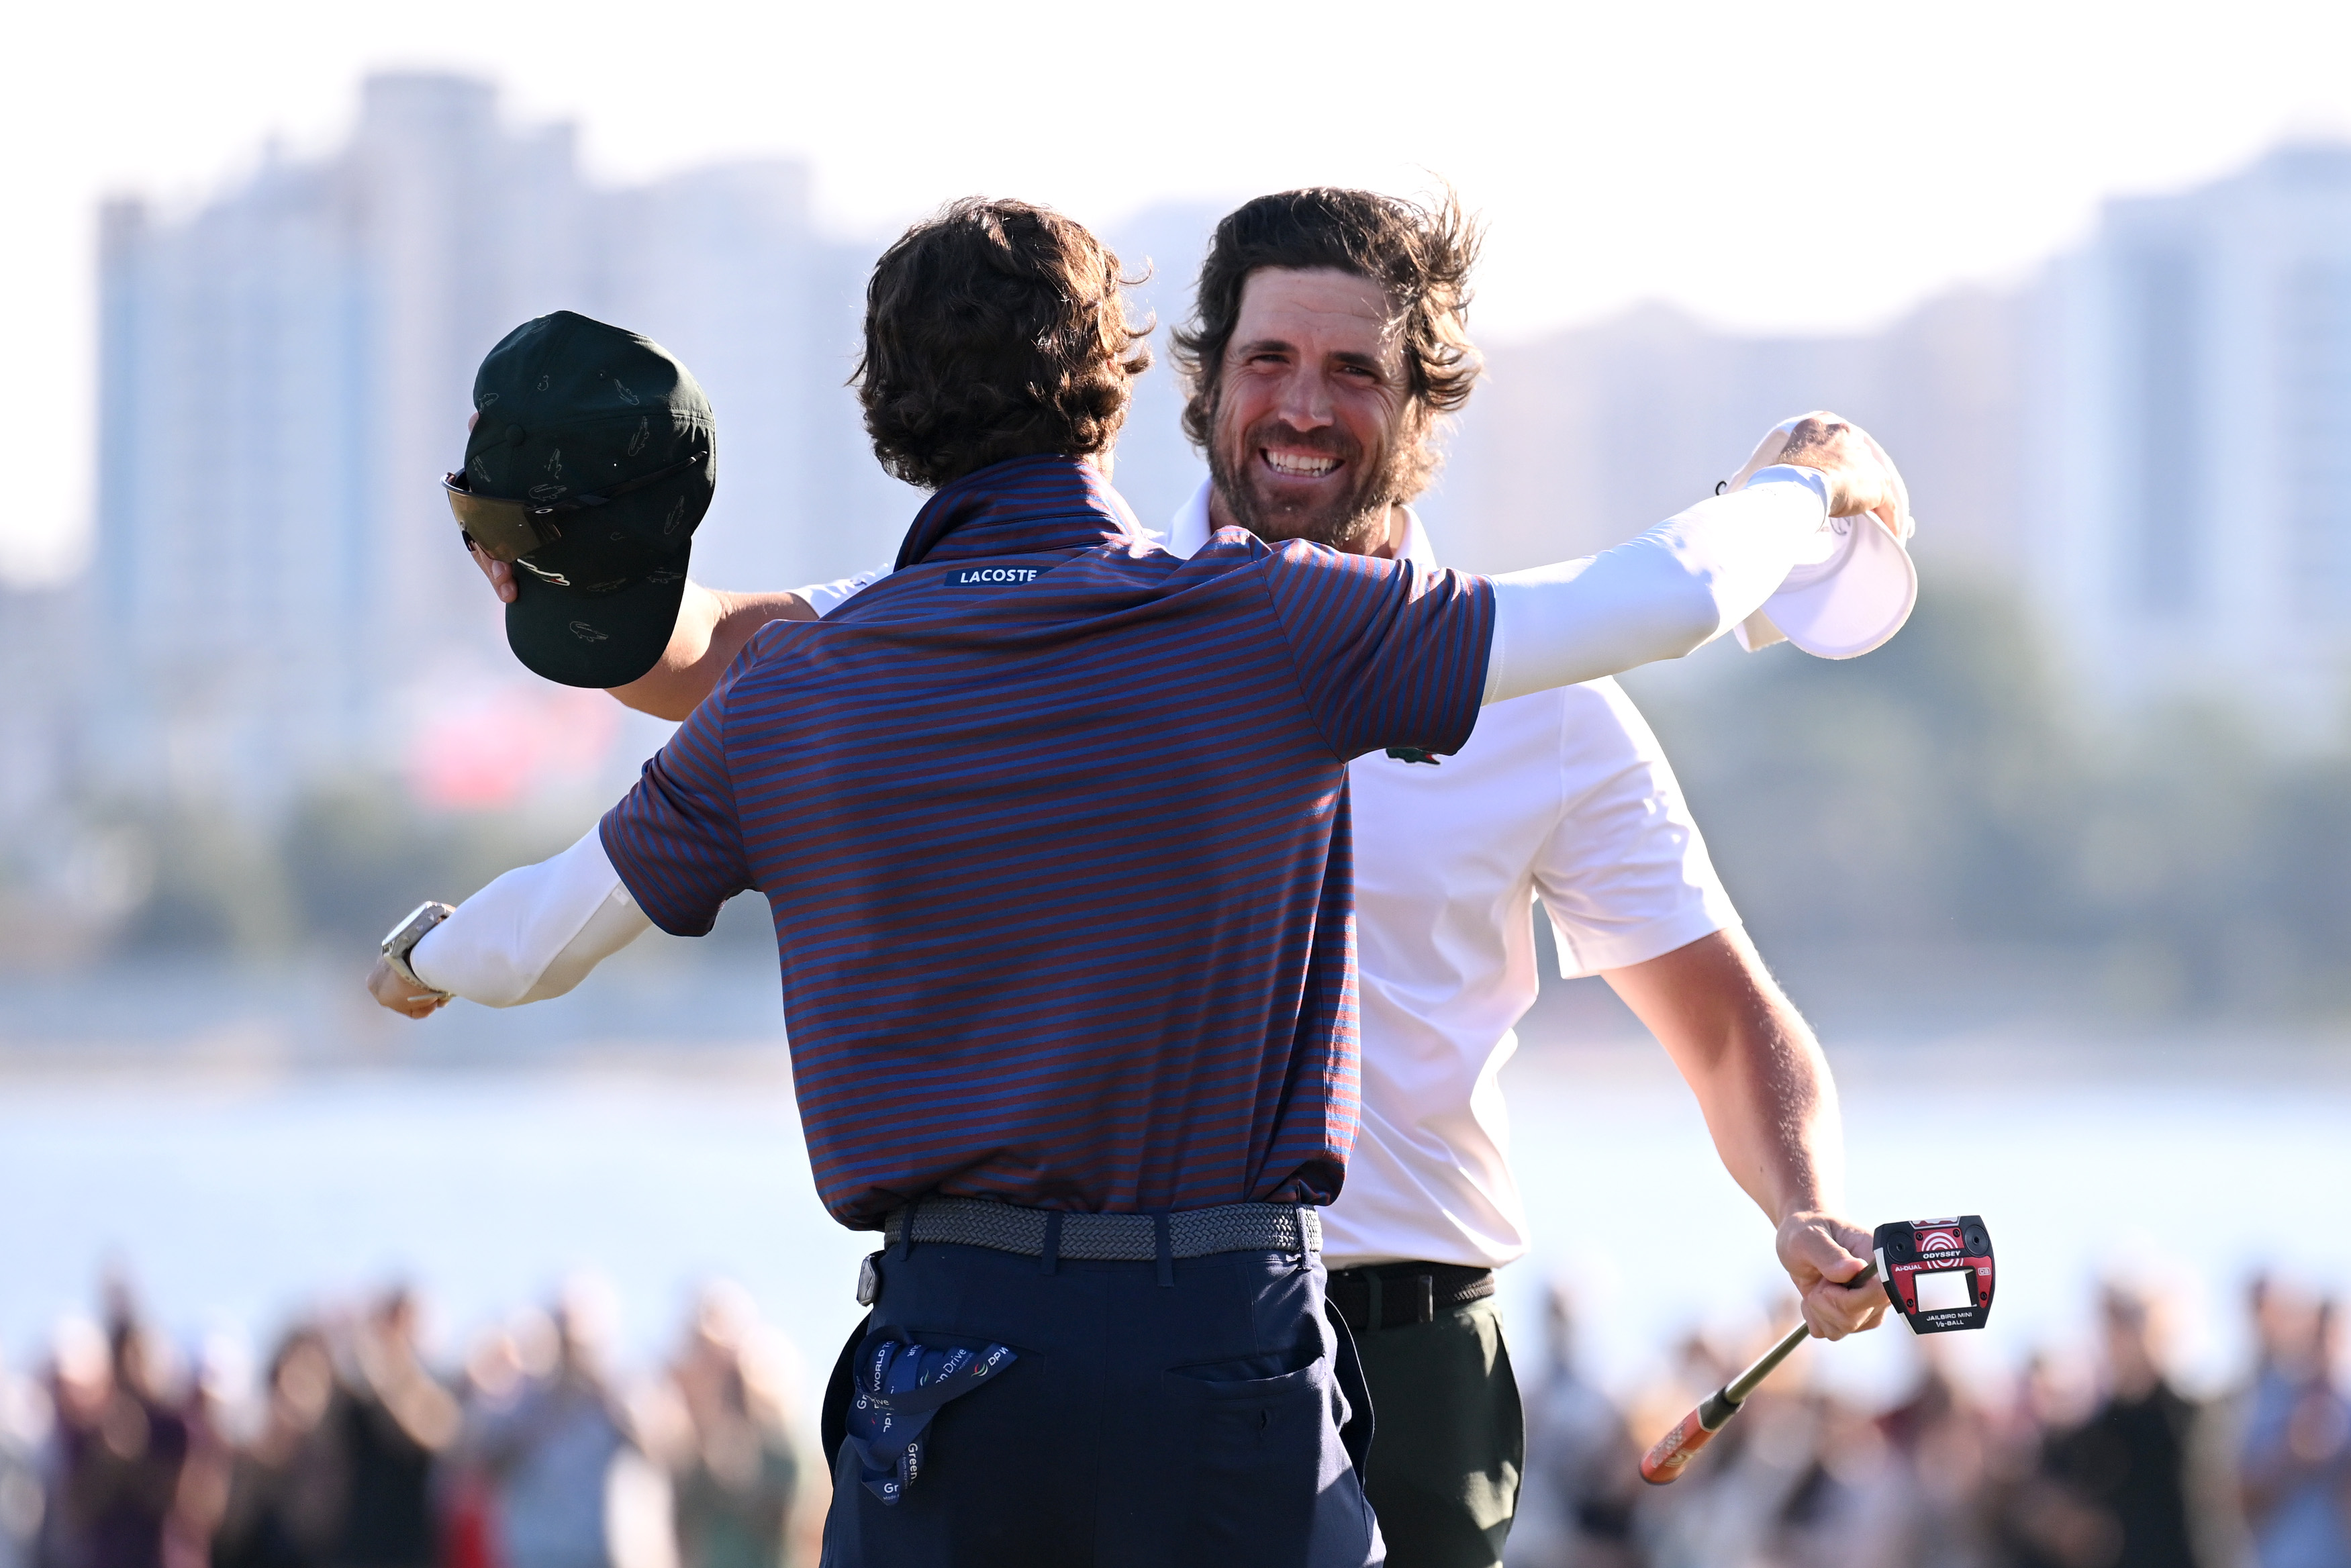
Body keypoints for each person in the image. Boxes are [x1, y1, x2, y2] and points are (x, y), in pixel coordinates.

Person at [373, 195, 1904, 1566]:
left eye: (1353, 372)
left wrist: (430, 946)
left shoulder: (841, 673)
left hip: (1211, 1340)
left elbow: (553, 913)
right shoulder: (1263, 625)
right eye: (1266, 363)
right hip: (1227, 1345)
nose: (1303, 406)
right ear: (1146, 390)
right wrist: (1805, 485)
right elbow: (1666, 593)